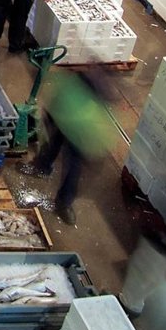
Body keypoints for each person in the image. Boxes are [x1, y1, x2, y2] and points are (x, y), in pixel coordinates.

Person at [18, 68, 116, 225]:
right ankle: (41, 167)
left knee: (73, 169)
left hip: (81, 135)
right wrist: (50, 119)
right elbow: (54, 107)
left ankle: (64, 203)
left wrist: (93, 152)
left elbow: (99, 135)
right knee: (52, 143)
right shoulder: (70, 90)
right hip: (63, 121)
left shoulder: (93, 112)